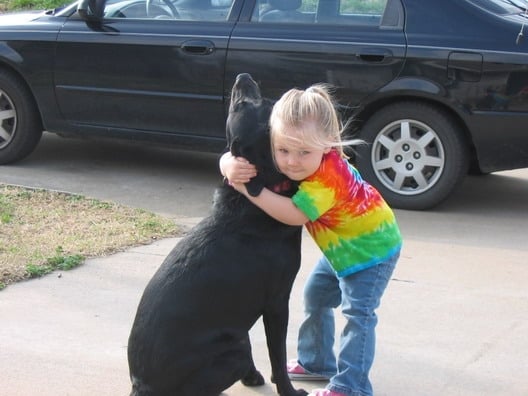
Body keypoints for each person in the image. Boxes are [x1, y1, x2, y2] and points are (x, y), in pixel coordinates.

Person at [219, 84, 402, 396]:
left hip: (372, 252)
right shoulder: (304, 163)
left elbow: (293, 214)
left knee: (359, 315)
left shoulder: (327, 179)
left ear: (327, 145)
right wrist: (228, 164)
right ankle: (316, 361)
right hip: (341, 250)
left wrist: (248, 189)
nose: (292, 162)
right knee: (316, 296)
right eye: (284, 151)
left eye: (304, 152)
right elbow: (239, 152)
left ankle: (351, 386)